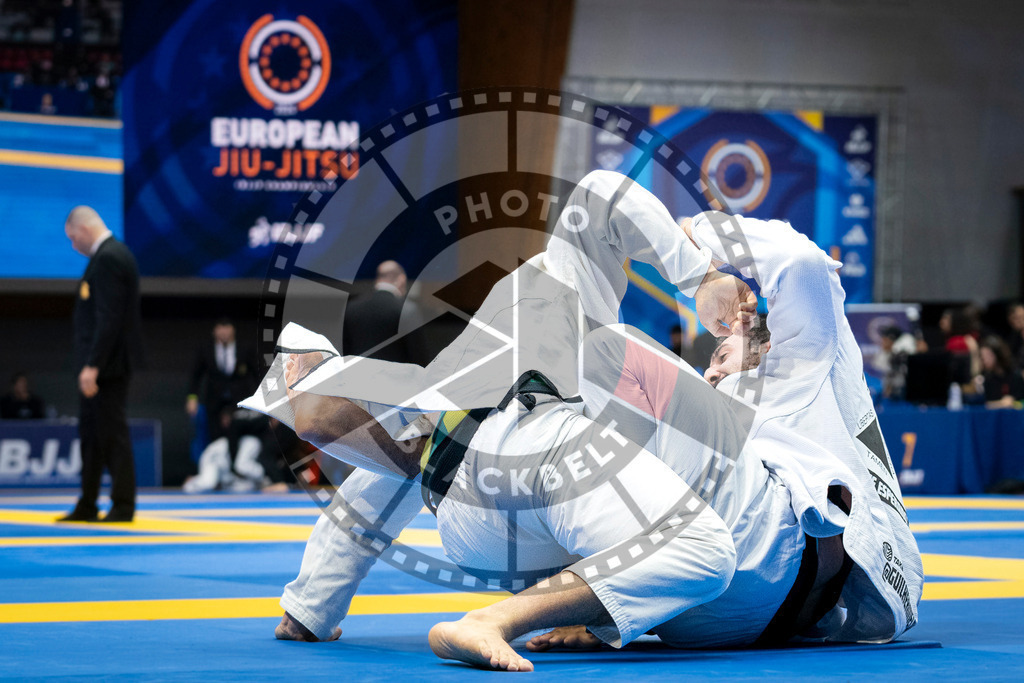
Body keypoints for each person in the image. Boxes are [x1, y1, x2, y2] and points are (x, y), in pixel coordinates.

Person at [246, 172, 920, 667]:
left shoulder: (799, 372)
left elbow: (801, 264)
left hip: (755, 561)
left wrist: (701, 258)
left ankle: (369, 412)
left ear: (766, 346)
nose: (714, 366)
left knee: (558, 364)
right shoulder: (652, 395)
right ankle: (424, 472)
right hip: (547, 517)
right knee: (472, 416)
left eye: (722, 352)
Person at [58, 206, 143, 523]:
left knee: (111, 433)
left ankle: (123, 505)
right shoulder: (108, 256)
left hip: (107, 367)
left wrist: (93, 365)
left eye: (72, 238)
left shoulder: (109, 257)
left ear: (82, 229)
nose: (73, 245)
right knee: (92, 435)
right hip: (100, 365)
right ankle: (88, 502)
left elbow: (109, 318)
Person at [186, 319, 264, 476]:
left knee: (238, 437)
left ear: (233, 329)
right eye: (220, 327)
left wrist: (263, 399)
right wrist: (192, 397)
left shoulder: (245, 348)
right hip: (214, 402)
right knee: (215, 439)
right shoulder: (206, 349)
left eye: (227, 327)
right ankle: (220, 474)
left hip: (240, 402)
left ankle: (237, 473)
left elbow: (258, 374)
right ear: (214, 331)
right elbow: (196, 375)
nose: (223, 331)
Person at [342, 260, 427, 365]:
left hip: (360, 373)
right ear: (402, 279)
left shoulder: (352, 307)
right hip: (396, 374)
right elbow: (417, 354)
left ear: (378, 279)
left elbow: (345, 349)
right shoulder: (407, 309)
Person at [972, 336, 1024, 408]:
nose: (985, 360)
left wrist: (1011, 402)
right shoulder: (988, 379)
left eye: (988, 355)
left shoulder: (1016, 377)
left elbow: (1019, 401)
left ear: (997, 354)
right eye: (982, 357)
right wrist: (1002, 403)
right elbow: (987, 404)